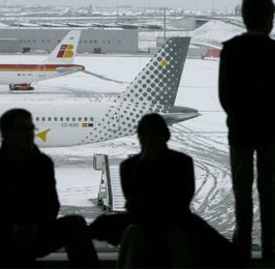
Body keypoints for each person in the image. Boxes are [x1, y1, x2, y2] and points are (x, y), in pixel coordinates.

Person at [0, 108, 98, 268]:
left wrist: (34, 226)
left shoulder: (42, 163)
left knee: (76, 223)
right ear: (5, 133)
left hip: (35, 233)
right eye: (22, 129)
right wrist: (9, 228)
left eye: (31, 128)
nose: (29, 134)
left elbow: (51, 206)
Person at [91, 113, 239, 267]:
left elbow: (138, 202)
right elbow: (177, 203)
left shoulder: (130, 166)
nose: (148, 140)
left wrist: (144, 166)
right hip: (172, 220)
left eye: (151, 136)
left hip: (157, 220)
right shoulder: (182, 162)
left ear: (163, 137)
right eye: (144, 136)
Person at [219, 0, 275, 261]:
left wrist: (238, 117)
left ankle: (242, 243)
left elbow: (224, 95)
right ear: (268, 20)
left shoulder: (231, 49)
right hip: (269, 132)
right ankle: (269, 245)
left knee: (242, 189)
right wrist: (273, 121)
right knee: (267, 188)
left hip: (239, 131)